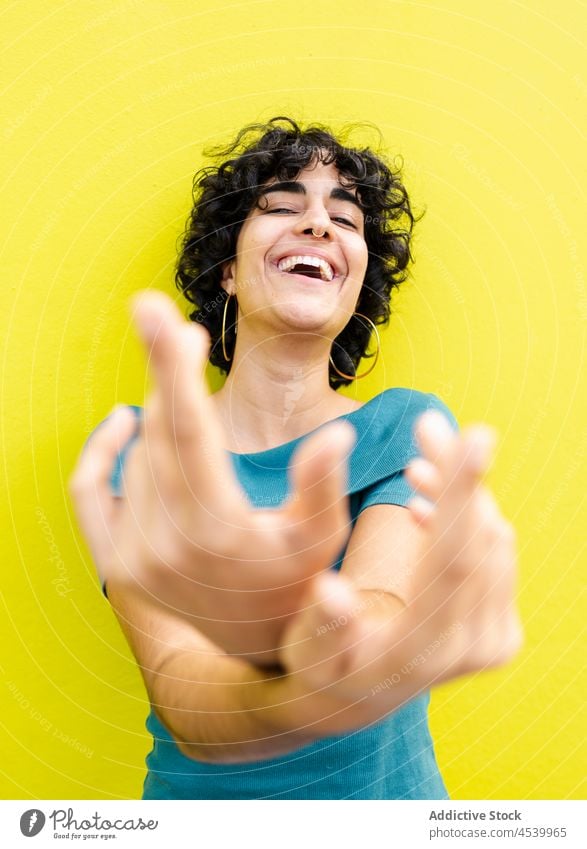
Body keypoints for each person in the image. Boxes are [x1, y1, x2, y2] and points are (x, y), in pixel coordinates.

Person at [69, 116, 522, 799]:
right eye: (282, 206)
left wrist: (295, 626)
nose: (317, 224)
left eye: (345, 219)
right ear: (228, 269)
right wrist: (301, 685)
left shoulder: (403, 423)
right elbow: (182, 688)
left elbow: (382, 599)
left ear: (356, 283)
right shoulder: (137, 445)